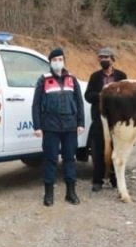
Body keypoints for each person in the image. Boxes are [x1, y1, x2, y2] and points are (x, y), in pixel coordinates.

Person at [32, 48, 85, 206]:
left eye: (60, 59)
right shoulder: (44, 80)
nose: (57, 62)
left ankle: (71, 192)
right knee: (50, 160)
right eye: (54, 60)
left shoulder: (72, 79)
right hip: (50, 127)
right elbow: (36, 105)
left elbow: (79, 103)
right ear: (50, 62)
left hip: (70, 126)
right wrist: (37, 126)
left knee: (70, 159)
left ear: (64, 61)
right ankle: (49, 194)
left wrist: (80, 123)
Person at [84, 47, 127, 192]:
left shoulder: (121, 76)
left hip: (117, 121)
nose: (103, 60)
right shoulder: (95, 77)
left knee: (117, 150)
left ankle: (115, 180)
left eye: (106, 57)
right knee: (98, 151)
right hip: (99, 119)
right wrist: (102, 95)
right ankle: (98, 181)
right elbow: (88, 96)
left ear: (112, 59)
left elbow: (128, 96)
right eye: (100, 58)